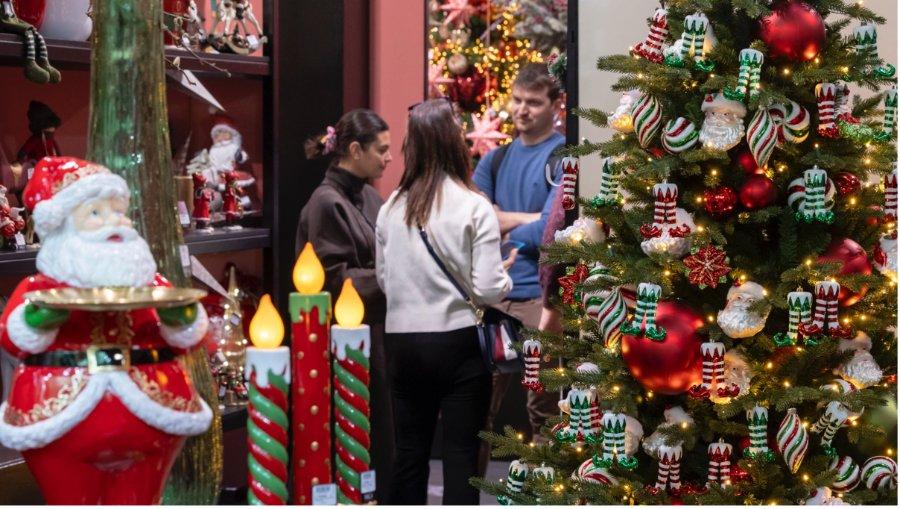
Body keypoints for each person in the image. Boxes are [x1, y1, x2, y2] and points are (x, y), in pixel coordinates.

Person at [376, 99, 516, 505]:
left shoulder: (391, 208)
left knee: (409, 452)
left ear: (412, 146)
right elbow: (488, 288)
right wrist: (505, 275)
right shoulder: (474, 206)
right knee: (461, 454)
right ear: (456, 143)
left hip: (402, 342)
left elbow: (385, 280)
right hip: (458, 344)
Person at [296, 109, 394, 502]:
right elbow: (334, 280)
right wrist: (391, 277)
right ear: (355, 150)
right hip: (347, 347)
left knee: (379, 437)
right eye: (381, 150)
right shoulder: (326, 203)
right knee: (358, 436)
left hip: (375, 335)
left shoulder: (368, 195)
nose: (389, 158)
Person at [472, 63, 565, 456]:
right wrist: (528, 219)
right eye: (517, 100)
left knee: (545, 413)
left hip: (539, 301)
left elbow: (551, 228)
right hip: (492, 297)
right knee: (477, 413)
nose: (522, 110)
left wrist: (505, 223)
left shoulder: (562, 156)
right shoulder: (494, 159)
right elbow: (475, 222)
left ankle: (546, 485)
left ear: (556, 105)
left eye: (534, 102)